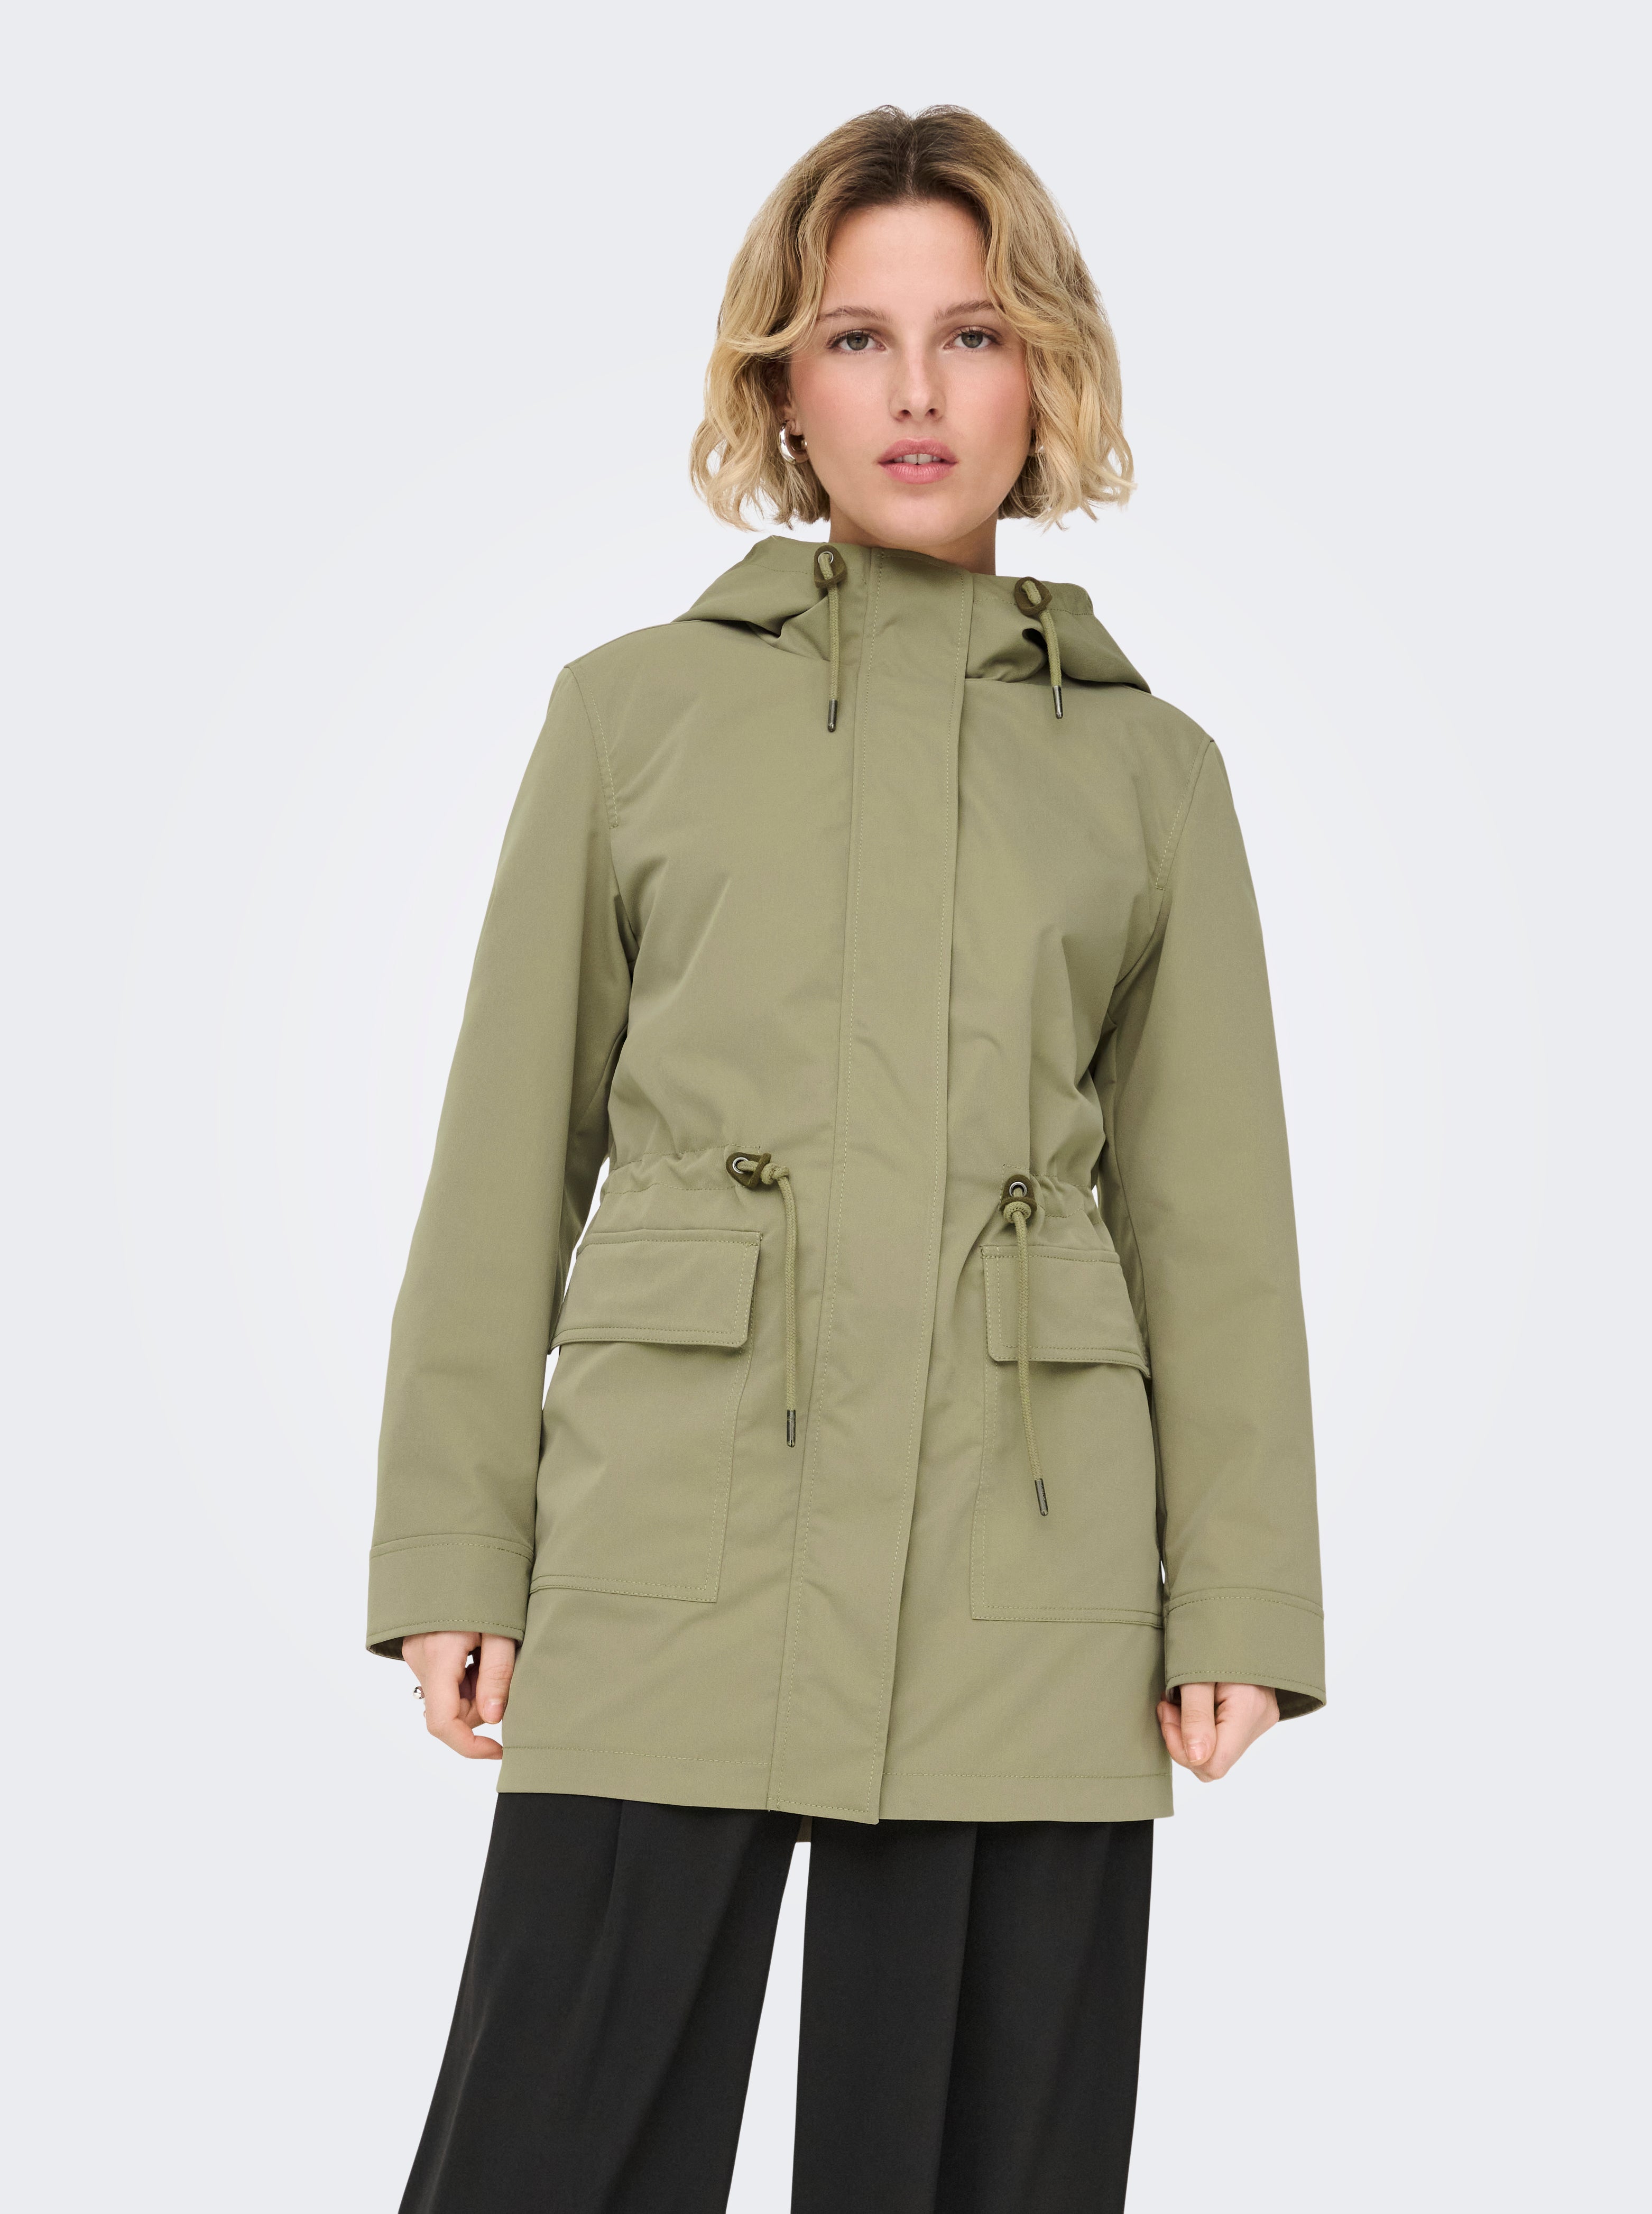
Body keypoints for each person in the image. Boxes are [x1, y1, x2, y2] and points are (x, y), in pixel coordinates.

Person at [367, 103, 1324, 2214]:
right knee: (547, 2147)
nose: (915, 392)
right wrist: (453, 1547)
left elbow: (1212, 1219)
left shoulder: (1147, 773)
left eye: (970, 335)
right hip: (669, 1528)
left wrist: (1238, 1589)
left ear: (1040, 374)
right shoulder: (629, 717)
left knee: (974, 2169)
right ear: (778, 387)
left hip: (1024, 1560)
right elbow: (505, 1152)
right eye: (856, 338)